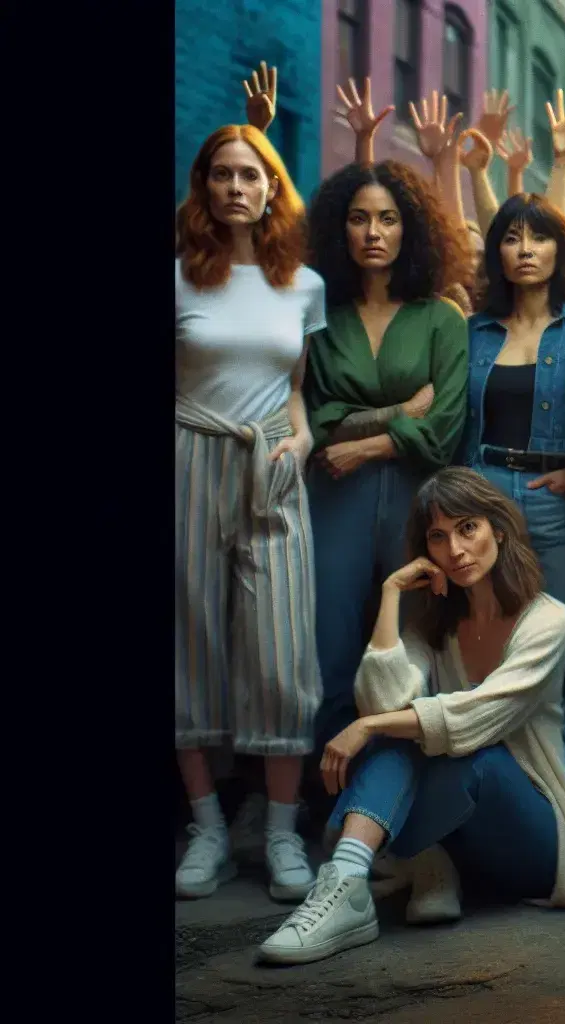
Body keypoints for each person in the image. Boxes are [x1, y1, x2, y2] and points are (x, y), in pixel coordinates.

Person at [256, 468, 565, 964]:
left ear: (498, 530)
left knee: (455, 747)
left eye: (468, 528)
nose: (455, 550)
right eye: (438, 537)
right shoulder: (436, 628)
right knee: (400, 732)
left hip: (533, 843)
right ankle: (349, 884)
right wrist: (393, 593)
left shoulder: (549, 620)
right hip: (458, 832)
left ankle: (383, 867)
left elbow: (473, 718)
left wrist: (369, 726)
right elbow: (382, 702)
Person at [174, 124, 323, 902]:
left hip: (271, 464)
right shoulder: (176, 278)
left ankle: (281, 833)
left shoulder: (301, 284)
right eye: (222, 174)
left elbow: (297, 392)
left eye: (251, 175)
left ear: (272, 189)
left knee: (281, 649)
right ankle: (205, 830)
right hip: (191, 456)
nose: (237, 187)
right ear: (203, 186)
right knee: (191, 641)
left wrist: (299, 443)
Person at [304, 160, 470, 750]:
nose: (374, 232)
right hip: (334, 497)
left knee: (404, 645)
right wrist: (403, 412)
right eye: (358, 219)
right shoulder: (322, 316)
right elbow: (321, 418)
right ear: (338, 230)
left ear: (411, 230)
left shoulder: (441, 319)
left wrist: (364, 443)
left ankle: (394, 796)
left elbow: (444, 428)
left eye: (388, 219)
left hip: (414, 497)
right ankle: (322, 792)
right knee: (328, 642)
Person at [462, 193, 565, 687]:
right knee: (488, 635)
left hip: (556, 500)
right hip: (484, 494)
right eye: (512, 238)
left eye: (539, 237)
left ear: (560, 250)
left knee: (561, 637)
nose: (526, 249)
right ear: (496, 251)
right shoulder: (474, 330)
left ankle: (552, 759)